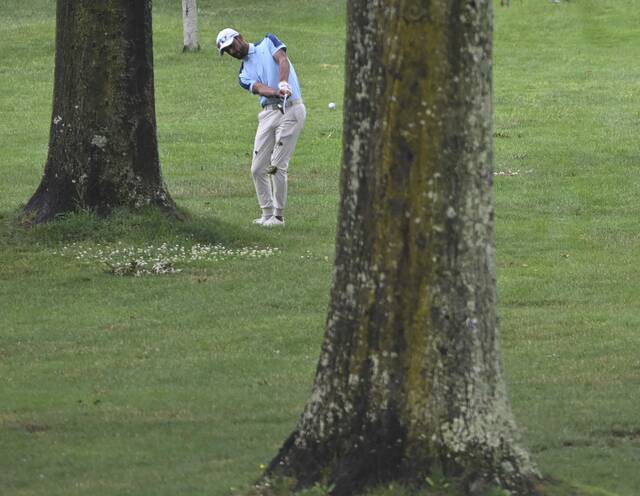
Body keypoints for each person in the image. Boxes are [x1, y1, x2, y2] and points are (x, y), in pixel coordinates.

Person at [216, 28, 307, 227]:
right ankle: (266, 214)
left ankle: (278, 217)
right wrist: (275, 91)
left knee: (276, 164)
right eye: (227, 51)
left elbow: (282, 59)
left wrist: (283, 82)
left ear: (239, 38)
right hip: (268, 113)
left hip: (292, 109)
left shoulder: (268, 42)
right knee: (257, 168)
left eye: (232, 46)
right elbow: (258, 88)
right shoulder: (243, 73)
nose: (232, 52)